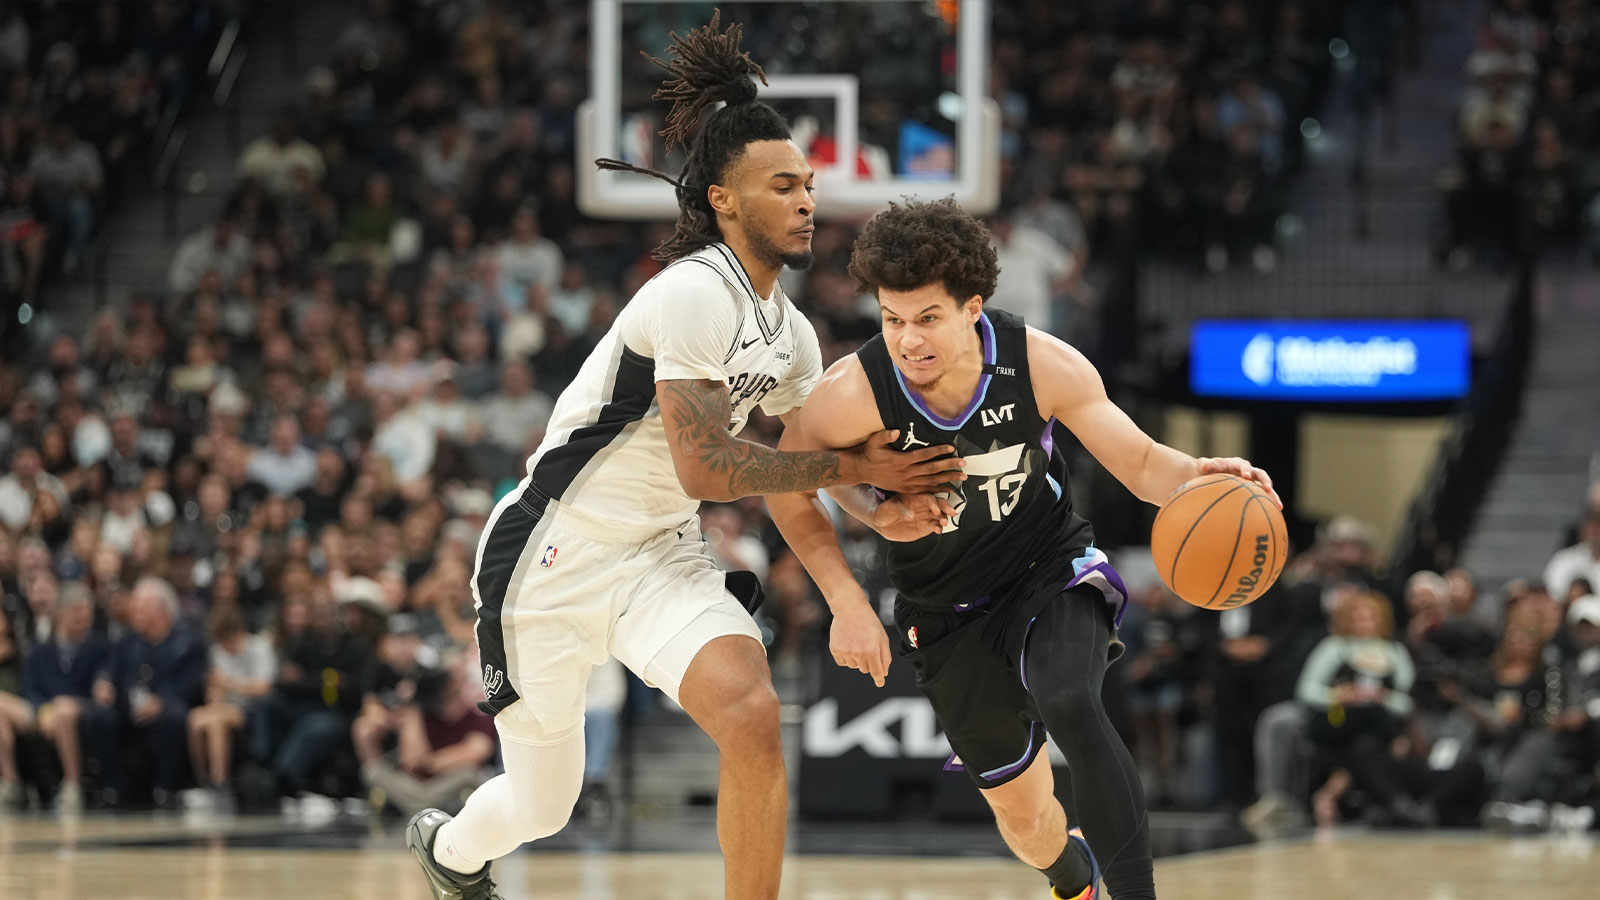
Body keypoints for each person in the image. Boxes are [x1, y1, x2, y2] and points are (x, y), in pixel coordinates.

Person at [403, 14, 960, 900]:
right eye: (783, 185)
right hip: (550, 551)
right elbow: (712, 468)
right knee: (543, 806)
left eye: (809, 185)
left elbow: (811, 463)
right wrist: (859, 474)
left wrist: (885, 509)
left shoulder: (794, 334)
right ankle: (453, 851)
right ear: (723, 201)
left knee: (752, 714)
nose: (807, 200)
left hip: (658, 553)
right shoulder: (694, 292)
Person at [766, 197, 1278, 900]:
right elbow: (785, 488)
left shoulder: (1041, 363)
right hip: (944, 609)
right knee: (1026, 815)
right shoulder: (852, 394)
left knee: (1070, 696)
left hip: (1046, 565)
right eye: (892, 320)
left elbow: (1140, 464)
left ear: (971, 307)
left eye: (927, 319)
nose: (907, 340)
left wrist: (1198, 476)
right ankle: (1073, 879)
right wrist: (852, 585)